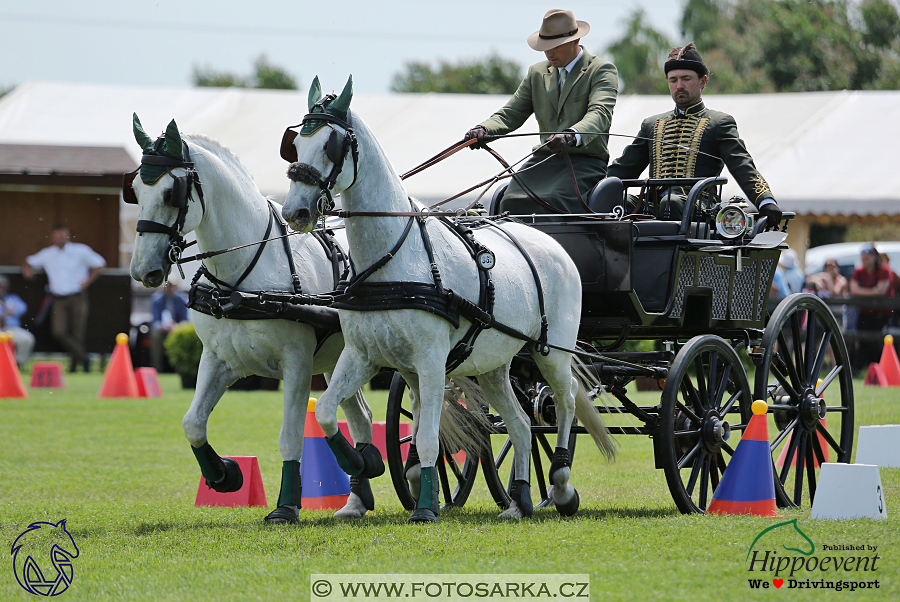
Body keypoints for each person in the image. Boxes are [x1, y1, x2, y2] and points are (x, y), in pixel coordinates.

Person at [463, 9, 618, 219]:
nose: (548, 53)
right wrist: (483, 128)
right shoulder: (536, 73)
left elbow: (600, 114)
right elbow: (511, 113)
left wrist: (572, 134)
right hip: (543, 160)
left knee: (554, 200)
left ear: (576, 40)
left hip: (584, 162)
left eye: (554, 47)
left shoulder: (600, 70)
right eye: (545, 47)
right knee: (510, 201)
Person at [606, 42, 783, 224]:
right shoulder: (652, 124)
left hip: (698, 208)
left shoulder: (719, 122)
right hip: (653, 205)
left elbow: (742, 166)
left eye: (686, 79)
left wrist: (765, 201)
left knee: (671, 202)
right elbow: (624, 167)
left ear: (702, 81)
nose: (679, 85)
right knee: (619, 203)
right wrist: (589, 188)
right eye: (673, 80)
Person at [22, 225, 105, 372]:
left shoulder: (81, 251)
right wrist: (27, 271)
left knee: (77, 333)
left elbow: (99, 264)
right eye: (57, 235)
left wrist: (87, 281)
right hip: (58, 299)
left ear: (68, 235)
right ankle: (84, 358)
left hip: (77, 296)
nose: (60, 237)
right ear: (53, 237)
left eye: (63, 234)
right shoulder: (48, 254)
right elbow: (29, 261)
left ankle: (75, 367)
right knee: (58, 332)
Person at [850, 245, 894, 374]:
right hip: (864, 313)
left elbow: (881, 291)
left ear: (874, 257)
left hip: (881, 314)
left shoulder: (884, 270)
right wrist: (872, 292)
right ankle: (858, 370)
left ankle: (879, 371)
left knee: (878, 343)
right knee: (862, 342)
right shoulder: (858, 271)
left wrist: (863, 292)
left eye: (867, 258)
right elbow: (853, 289)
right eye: (863, 258)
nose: (865, 261)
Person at [150, 279, 190, 372]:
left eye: (171, 285)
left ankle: (181, 369)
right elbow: (155, 321)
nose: (169, 288)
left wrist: (176, 326)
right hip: (162, 330)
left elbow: (185, 321)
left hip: (177, 329)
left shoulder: (182, 299)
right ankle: (157, 368)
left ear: (176, 286)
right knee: (155, 335)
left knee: (183, 335)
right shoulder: (156, 299)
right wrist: (163, 327)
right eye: (167, 285)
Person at [0, 274, 36, 367]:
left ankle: (17, 365)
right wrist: (3, 314)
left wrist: (11, 311)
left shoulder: (12, 298)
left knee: (27, 338)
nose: (1, 288)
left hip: (10, 328)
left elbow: (23, 308)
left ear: (7, 287)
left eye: (3, 286)